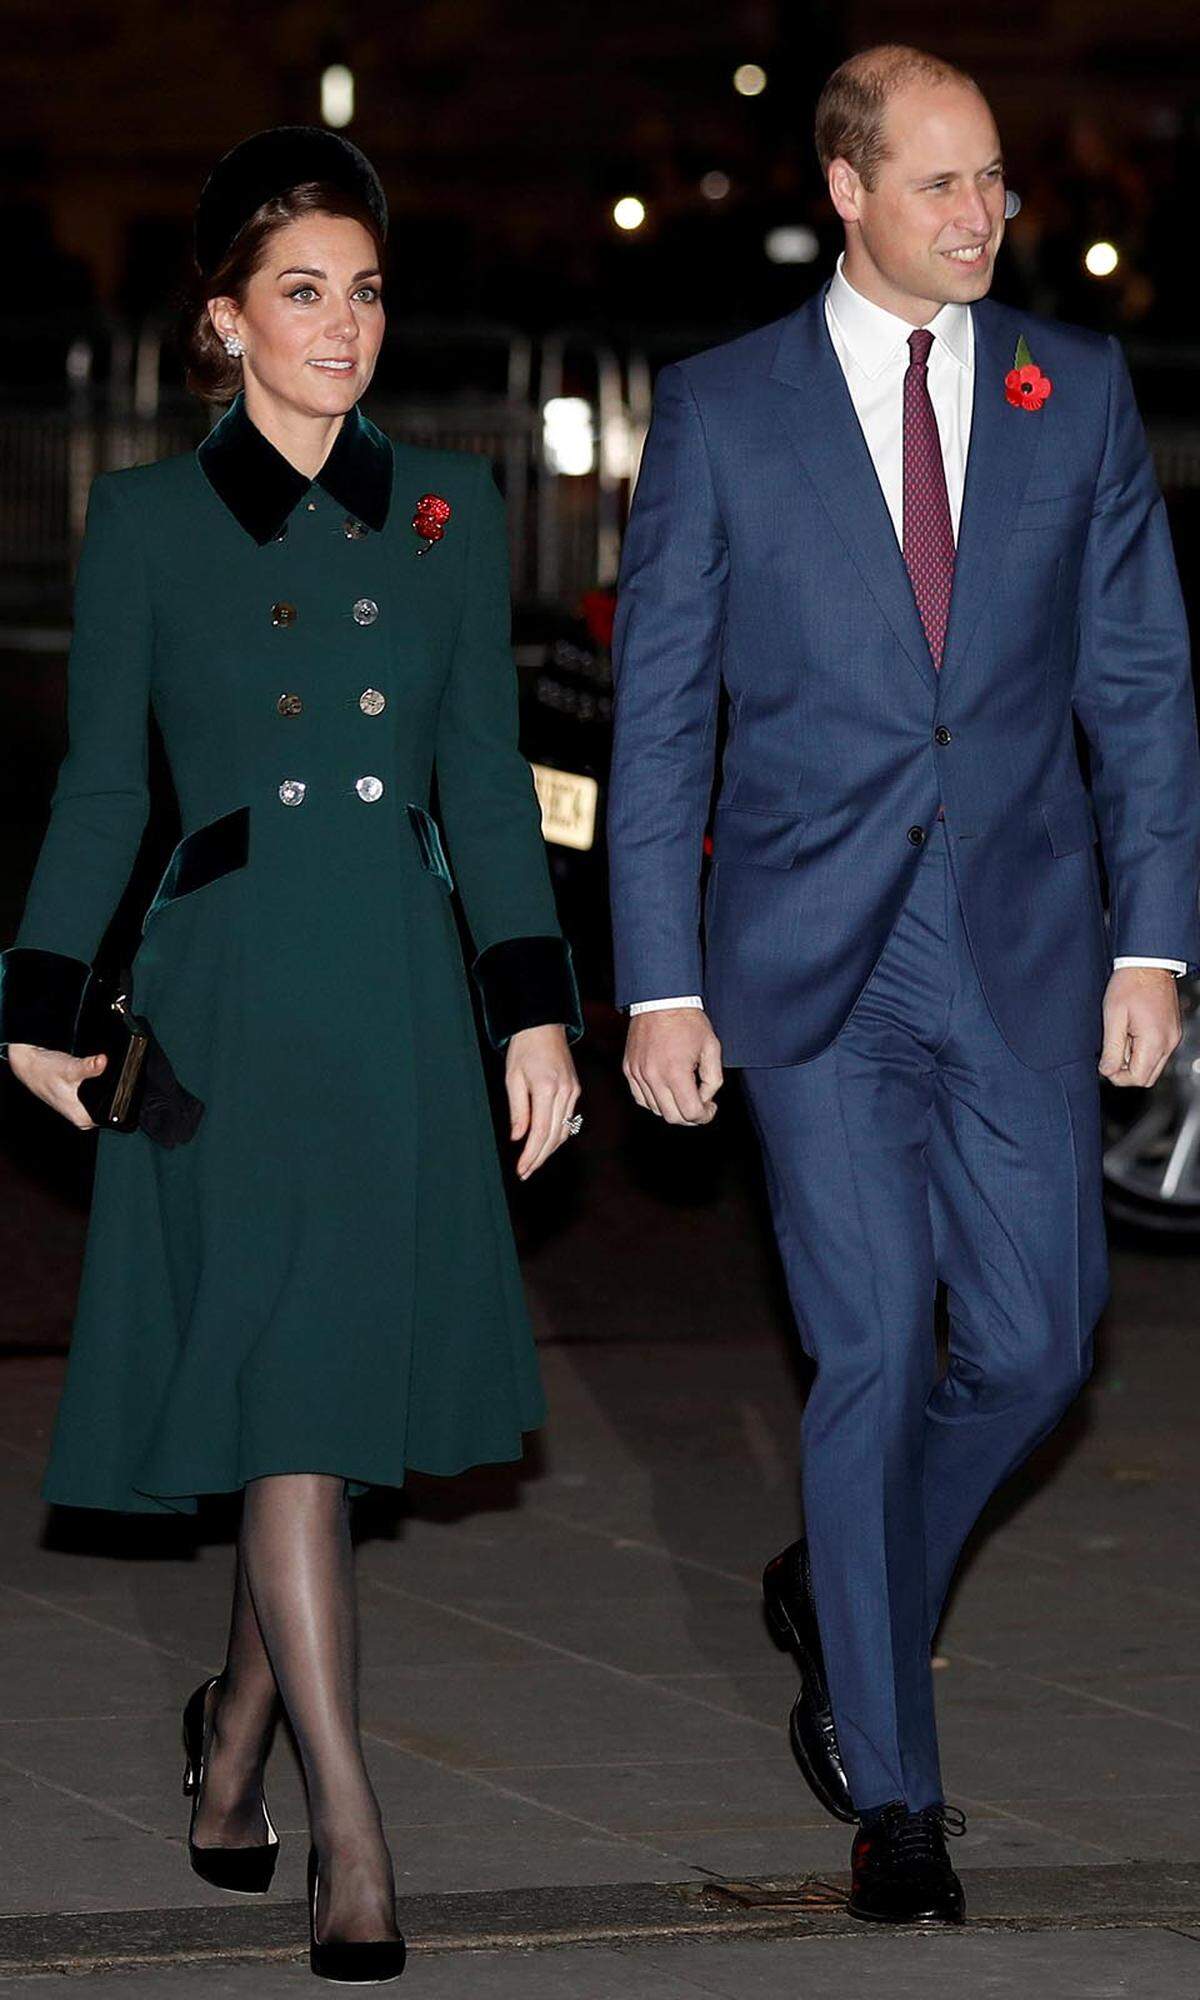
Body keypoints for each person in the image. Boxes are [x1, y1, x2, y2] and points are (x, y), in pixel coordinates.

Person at [607, 47, 1200, 1926]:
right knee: (870, 1351)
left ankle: (836, 1575)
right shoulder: (720, 413)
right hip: (807, 971)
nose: (984, 216)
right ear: (848, 188)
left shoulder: (1072, 388)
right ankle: (900, 1796)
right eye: (943, 184)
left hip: (1025, 951)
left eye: (999, 181)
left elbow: (1141, 688)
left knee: (1038, 1341)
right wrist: (657, 982)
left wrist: (1154, 943)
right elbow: (659, 721)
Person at [0, 125, 583, 1983]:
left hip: (399, 993)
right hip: (233, 997)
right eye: (307, 294)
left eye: (369, 290)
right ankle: (354, 1827)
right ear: (227, 322)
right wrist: (34, 996)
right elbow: (105, 787)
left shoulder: (447, 510)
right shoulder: (148, 527)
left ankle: (237, 1739)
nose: (347, 326)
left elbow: (487, 788)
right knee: (294, 1405)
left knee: (307, 1412)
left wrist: (535, 1003)